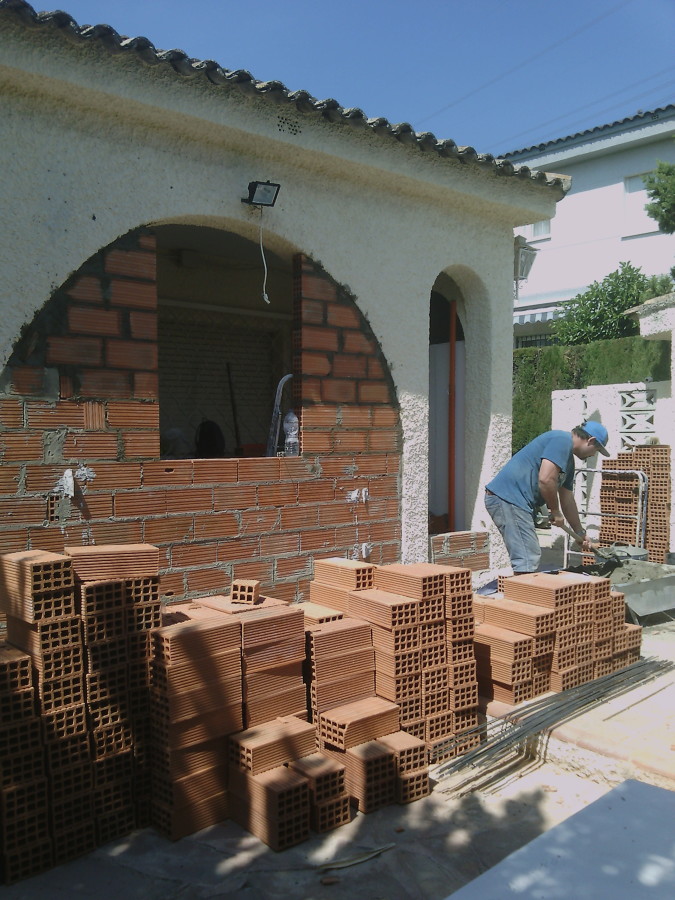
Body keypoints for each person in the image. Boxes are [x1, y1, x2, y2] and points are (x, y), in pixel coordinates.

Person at [484, 421, 610, 574]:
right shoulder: (561, 440)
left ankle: (525, 592)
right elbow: (545, 479)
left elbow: (567, 499)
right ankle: (524, 595)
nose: (593, 455)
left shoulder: (568, 461)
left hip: (517, 502)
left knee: (528, 555)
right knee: (527, 557)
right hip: (508, 498)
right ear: (590, 441)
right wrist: (555, 511)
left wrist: (580, 532)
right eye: (596, 449)